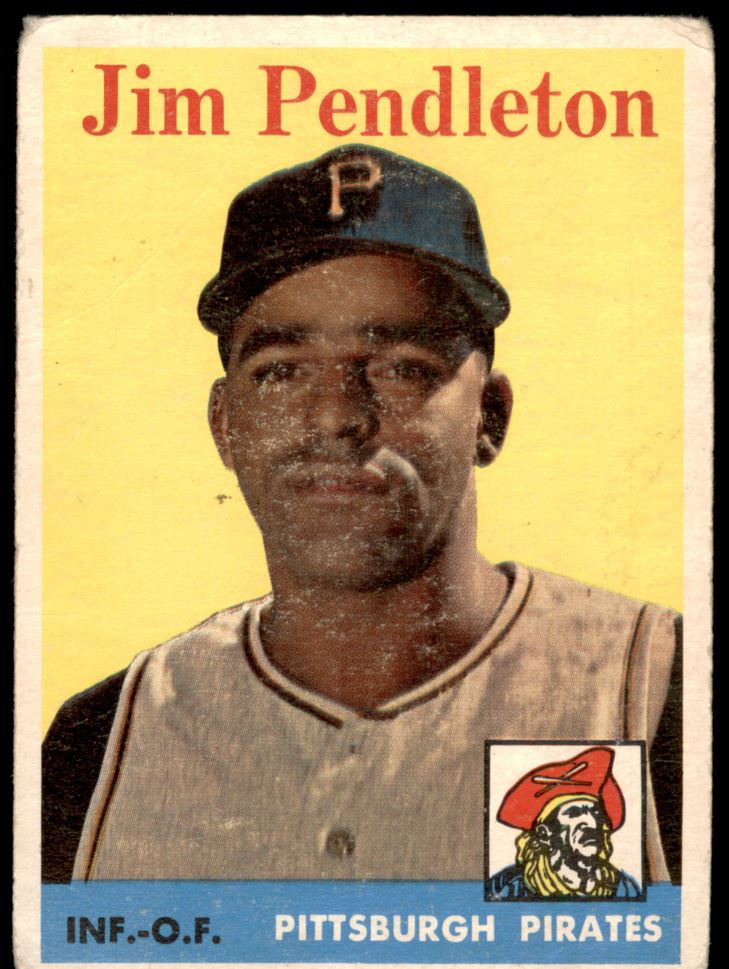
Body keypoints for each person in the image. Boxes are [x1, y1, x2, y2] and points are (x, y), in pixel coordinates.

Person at [42, 145, 682, 883]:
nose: (337, 416)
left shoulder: (663, 690)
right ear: (224, 426)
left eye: (402, 367)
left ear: (490, 416)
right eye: (281, 371)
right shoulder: (99, 738)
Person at [485, 746, 641, 900]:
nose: (592, 823)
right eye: (574, 813)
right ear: (544, 834)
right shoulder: (506, 887)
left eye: (595, 813)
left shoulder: (624, 888)